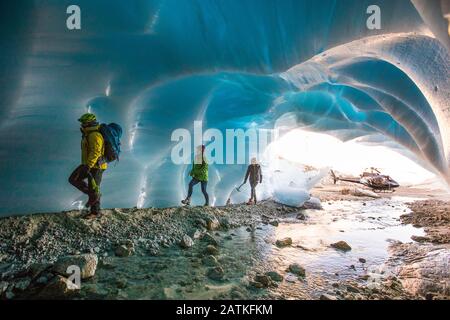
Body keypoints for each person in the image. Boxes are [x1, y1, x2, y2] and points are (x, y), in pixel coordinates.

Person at [68, 113, 107, 219]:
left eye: (83, 122)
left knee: (94, 187)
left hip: (97, 166)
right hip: (88, 164)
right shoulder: (87, 134)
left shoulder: (94, 135)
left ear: (89, 123)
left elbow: (96, 152)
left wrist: (88, 165)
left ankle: (95, 212)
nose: (82, 124)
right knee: (73, 179)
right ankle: (93, 195)